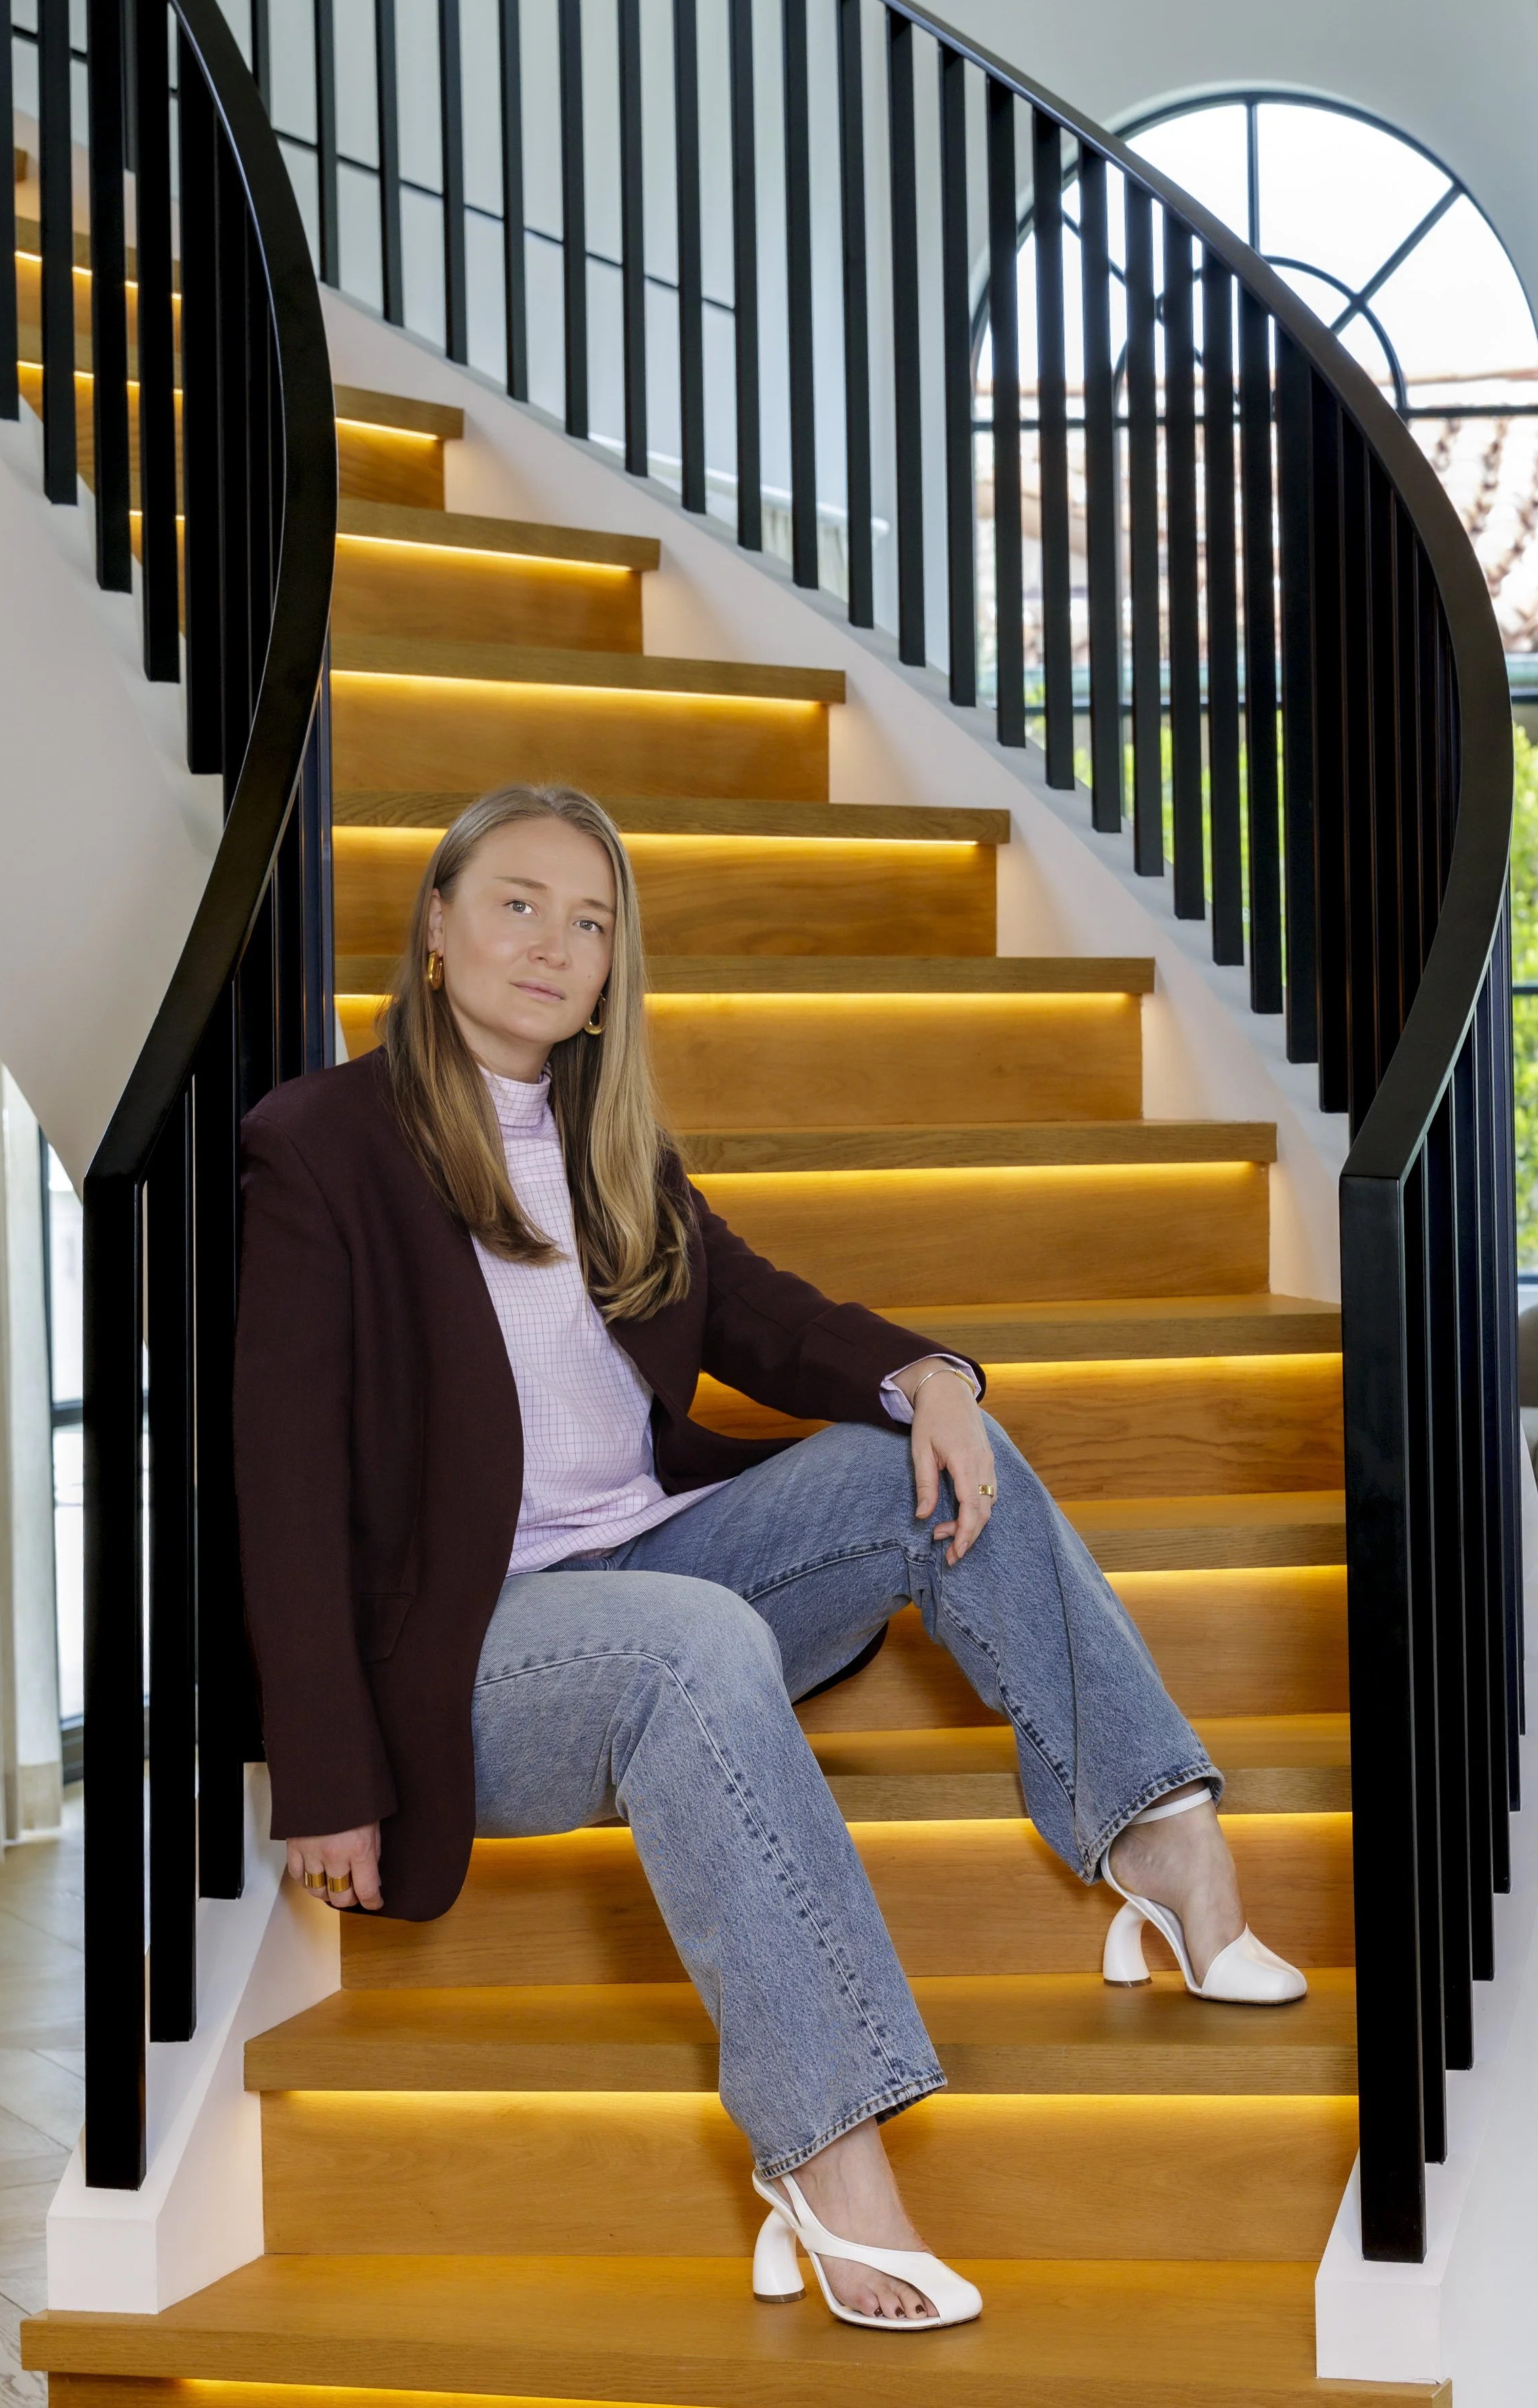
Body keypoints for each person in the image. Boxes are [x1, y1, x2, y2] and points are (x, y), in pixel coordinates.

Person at [233, 783, 1305, 2333]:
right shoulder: (318, 1142)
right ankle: (823, 2149)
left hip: (658, 1551)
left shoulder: (609, 1140)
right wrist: (324, 1768)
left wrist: (932, 1375)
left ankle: (1150, 1829)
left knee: (921, 1457)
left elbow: (766, 1314)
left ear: (613, 969)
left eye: (590, 920)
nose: (553, 943)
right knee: (689, 1645)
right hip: (475, 1653)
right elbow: (278, 1471)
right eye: (519, 902)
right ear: (437, 926)